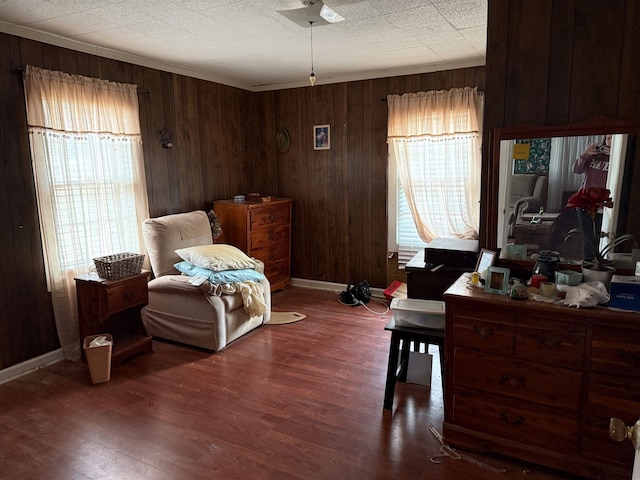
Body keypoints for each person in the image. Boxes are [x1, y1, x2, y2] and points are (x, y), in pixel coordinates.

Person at [572, 135, 611, 261]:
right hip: (584, 202)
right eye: (608, 138)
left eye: (613, 138)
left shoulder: (620, 158)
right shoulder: (595, 155)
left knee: (602, 240)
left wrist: (615, 156)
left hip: (604, 206)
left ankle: (599, 268)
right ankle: (588, 268)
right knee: (587, 239)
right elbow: (576, 170)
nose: (610, 141)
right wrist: (586, 154)